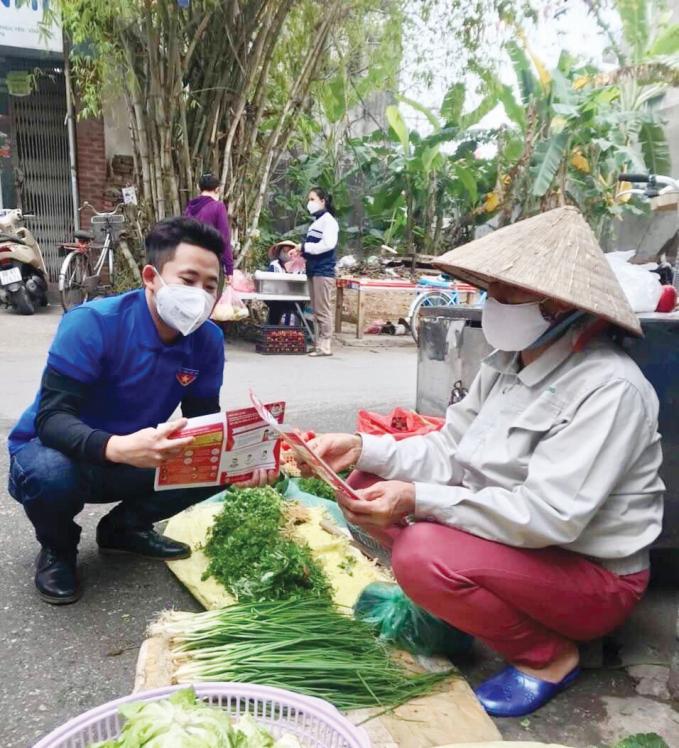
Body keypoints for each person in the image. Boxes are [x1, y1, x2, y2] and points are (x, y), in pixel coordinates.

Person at [301, 206, 664, 717]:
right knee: (366, 481)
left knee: (422, 552)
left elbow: (550, 516)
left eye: (508, 294)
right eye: (491, 291)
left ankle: (548, 657)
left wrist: (419, 501)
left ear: (558, 307)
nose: (493, 305)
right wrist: (363, 448)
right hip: (523, 550)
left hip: (592, 577)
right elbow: (449, 450)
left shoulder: (610, 389)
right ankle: (461, 605)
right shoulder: (506, 366)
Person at [7, 217, 273, 606]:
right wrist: (116, 447)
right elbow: (52, 419)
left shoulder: (208, 341)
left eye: (211, 286)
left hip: (133, 454)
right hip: (55, 452)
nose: (200, 295)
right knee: (51, 476)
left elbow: (202, 424)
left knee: (218, 463)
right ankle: (58, 548)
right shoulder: (93, 323)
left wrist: (246, 460)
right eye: (188, 279)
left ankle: (124, 530)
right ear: (151, 277)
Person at [296, 187, 339, 357]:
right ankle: (318, 343)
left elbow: (327, 244)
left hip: (323, 270)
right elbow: (312, 247)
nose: (310, 203)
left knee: (322, 309)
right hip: (313, 269)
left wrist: (305, 247)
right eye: (309, 199)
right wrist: (301, 250)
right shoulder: (316, 222)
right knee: (315, 308)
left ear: (323, 201)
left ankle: (326, 343)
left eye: (312, 199)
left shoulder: (329, 222)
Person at [184, 173, 234, 283]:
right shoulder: (218, 207)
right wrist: (229, 269)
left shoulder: (189, 208)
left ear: (198, 188)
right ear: (217, 189)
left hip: (188, 261)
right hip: (209, 262)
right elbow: (224, 238)